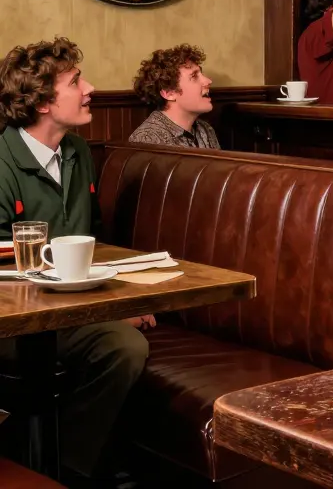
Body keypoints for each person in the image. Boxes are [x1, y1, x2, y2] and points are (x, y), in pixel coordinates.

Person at [0, 38, 150, 482]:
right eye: (76, 81)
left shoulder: (78, 152)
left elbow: (94, 241)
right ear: (43, 102)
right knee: (116, 345)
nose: (90, 88)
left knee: (125, 345)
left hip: (69, 312)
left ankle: (58, 469)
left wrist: (119, 303)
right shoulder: (2, 161)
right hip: (14, 320)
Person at [128, 44, 220, 148]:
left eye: (201, 74)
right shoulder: (147, 139)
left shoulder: (206, 129)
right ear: (169, 93)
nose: (208, 81)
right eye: (194, 76)